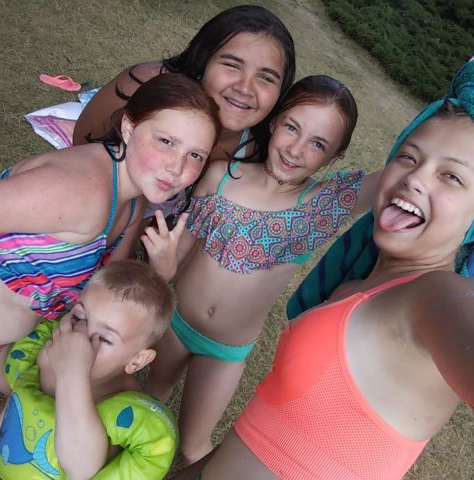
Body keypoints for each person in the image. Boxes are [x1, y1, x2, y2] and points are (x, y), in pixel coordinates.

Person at [173, 14, 474, 480]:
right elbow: (269, 428)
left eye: (452, 176)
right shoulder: (359, 277)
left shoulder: (438, 300)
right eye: (409, 157)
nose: (416, 178)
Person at [0, 73, 220, 460]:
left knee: (89, 424)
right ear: (129, 128)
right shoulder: (79, 189)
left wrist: (160, 274)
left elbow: (106, 297)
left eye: (195, 155)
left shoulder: (130, 201)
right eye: (166, 141)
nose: (177, 167)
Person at [142, 74, 381, 465]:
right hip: (175, 322)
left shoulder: (318, 207)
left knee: (193, 448)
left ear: (334, 157)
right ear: (274, 121)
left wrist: (473, 91)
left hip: (225, 352)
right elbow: (180, 251)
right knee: (148, 399)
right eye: (292, 127)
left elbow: (403, 173)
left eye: (318, 144)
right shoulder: (220, 176)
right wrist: (161, 270)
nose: (296, 149)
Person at [0, 260, 178, 480]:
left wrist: (72, 375)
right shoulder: (50, 353)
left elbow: (80, 470)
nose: (80, 336)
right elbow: (24, 389)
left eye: (105, 338)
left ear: (137, 361)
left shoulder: (119, 405)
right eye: (79, 317)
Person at [74, 5, 295, 165]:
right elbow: (81, 144)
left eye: (266, 78)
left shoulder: (261, 150)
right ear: (204, 60)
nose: (245, 88)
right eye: (232, 65)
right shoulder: (145, 87)